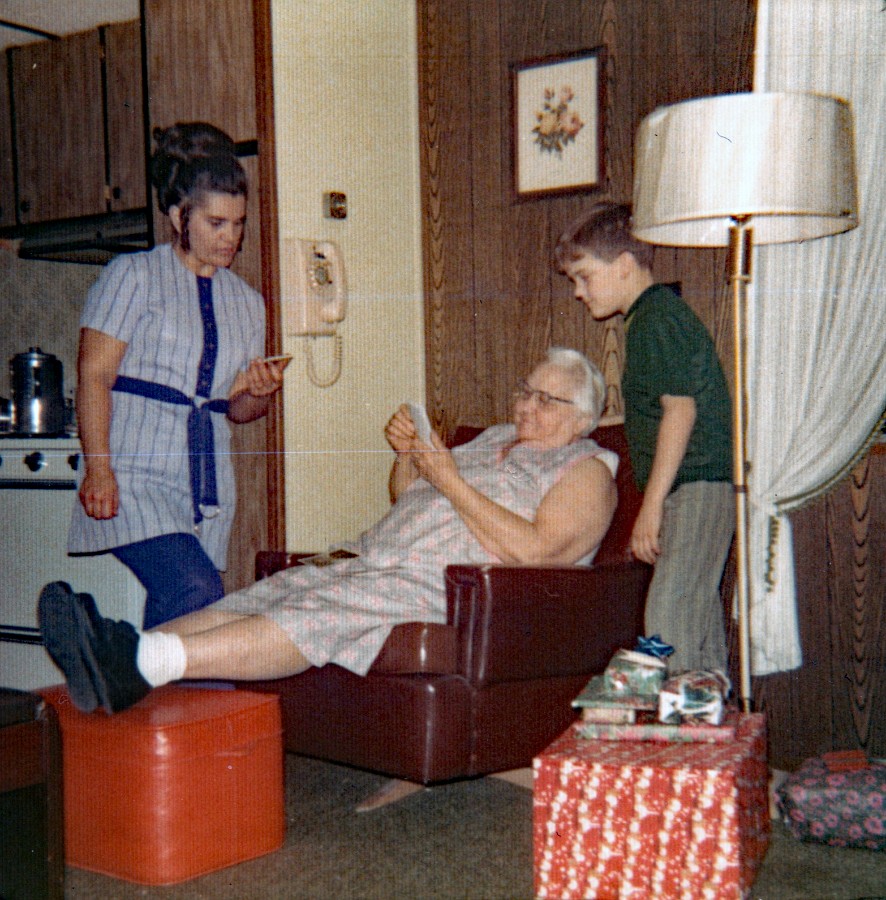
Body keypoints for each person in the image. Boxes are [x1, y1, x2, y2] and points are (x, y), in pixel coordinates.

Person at [41, 348, 618, 714]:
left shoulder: (586, 470)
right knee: (259, 597)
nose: (526, 405)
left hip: (444, 584)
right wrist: (410, 459)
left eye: (546, 399)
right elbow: (409, 501)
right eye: (524, 390)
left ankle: (139, 659)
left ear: (582, 417)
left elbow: (539, 552)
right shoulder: (492, 439)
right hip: (372, 556)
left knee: (313, 616)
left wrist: (447, 476)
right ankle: (124, 658)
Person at [67, 122, 287, 629]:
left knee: (193, 613)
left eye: (238, 223)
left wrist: (260, 392)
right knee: (193, 585)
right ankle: (122, 663)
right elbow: (94, 375)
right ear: (177, 216)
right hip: (133, 470)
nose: (230, 237)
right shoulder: (133, 276)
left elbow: (240, 411)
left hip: (204, 481)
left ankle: (124, 668)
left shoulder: (248, 303)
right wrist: (99, 469)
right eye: (216, 223)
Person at [555, 201, 733, 673]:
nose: (578, 292)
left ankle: (680, 712)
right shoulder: (654, 316)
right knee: (694, 617)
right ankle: (707, 707)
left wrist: (650, 507)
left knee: (668, 617)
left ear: (624, 265)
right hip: (699, 485)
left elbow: (680, 412)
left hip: (695, 486)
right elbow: (660, 406)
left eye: (584, 277)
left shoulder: (654, 320)